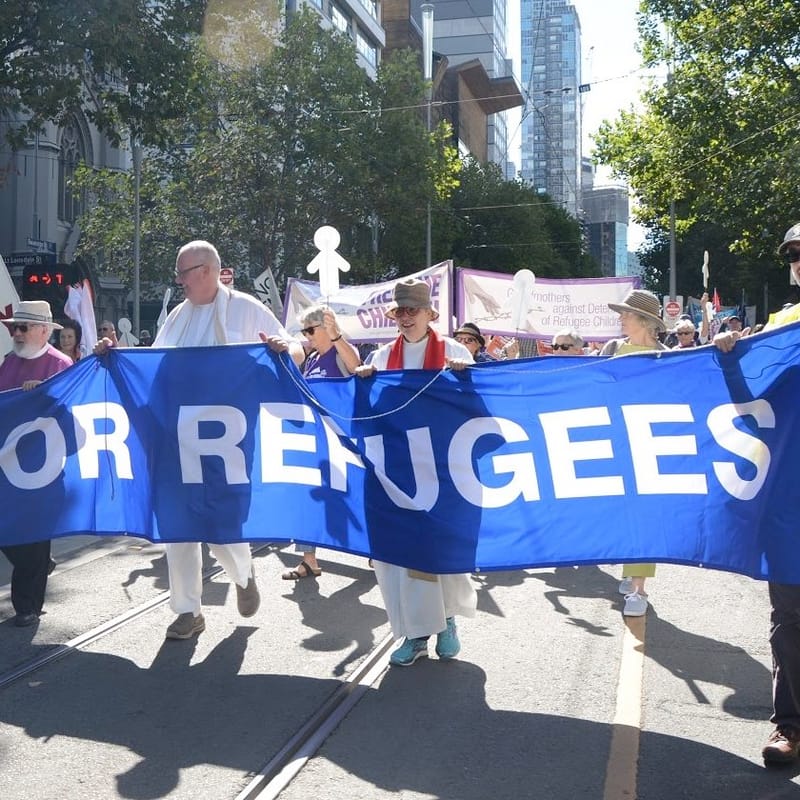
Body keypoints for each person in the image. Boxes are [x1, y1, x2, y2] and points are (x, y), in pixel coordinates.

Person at [95, 240, 304, 640]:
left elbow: (295, 348)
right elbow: (151, 367)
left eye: (183, 273)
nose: (179, 281)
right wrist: (118, 355)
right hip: (177, 440)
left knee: (221, 525)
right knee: (178, 528)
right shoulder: (177, 317)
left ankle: (242, 573)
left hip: (226, 445)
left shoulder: (246, 309)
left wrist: (285, 348)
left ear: (206, 270)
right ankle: (188, 611)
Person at [355, 278, 478, 666]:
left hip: (442, 471)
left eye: (413, 310)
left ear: (428, 314)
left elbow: (477, 407)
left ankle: (447, 622)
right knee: (400, 556)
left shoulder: (454, 351)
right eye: (400, 312)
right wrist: (363, 382)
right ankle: (415, 633)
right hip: (396, 473)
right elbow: (366, 413)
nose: (405, 318)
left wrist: (466, 376)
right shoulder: (380, 358)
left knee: (439, 551)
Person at [714, 222, 800, 765]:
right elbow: (750, 403)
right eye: (794, 255)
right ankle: (789, 726)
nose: (799, 262)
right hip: (789, 497)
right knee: (789, 616)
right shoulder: (782, 326)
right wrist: (730, 356)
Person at [267, 304, 361, 580]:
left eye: (310, 330)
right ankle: (309, 560)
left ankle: (375, 551)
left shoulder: (340, 351)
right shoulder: (313, 359)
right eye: (303, 331)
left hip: (344, 442)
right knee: (306, 496)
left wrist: (336, 335)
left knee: (356, 496)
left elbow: (355, 367)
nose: (306, 336)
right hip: (317, 442)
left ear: (326, 327)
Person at [0, 301, 73, 626]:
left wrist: (42, 395)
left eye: (23, 327)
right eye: (14, 328)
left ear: (44, 331)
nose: (16, 333)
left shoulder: (60, 364)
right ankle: (39, 564)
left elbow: (70, 412)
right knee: (19, 538)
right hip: (8, 463)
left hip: (43, 467)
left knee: (33, 536)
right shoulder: (8, 363)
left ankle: (27, 606)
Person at [601, 289, 669, 617]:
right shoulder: (612, 349)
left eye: (626, 314)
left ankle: (639, 589)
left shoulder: (668, 358)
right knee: (623, 513)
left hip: (651, 446)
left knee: (645, 515)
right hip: (616, 442)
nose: (621, 318)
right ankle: (631, 566)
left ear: (644, 320)